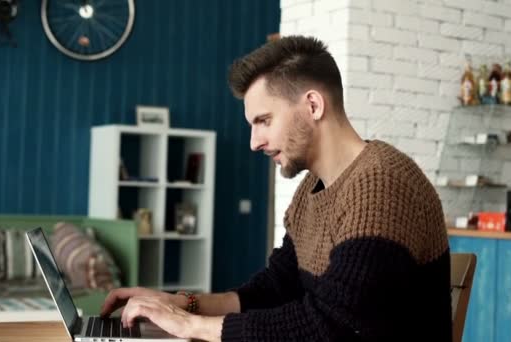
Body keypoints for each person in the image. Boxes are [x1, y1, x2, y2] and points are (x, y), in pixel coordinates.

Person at [100, 36, 452, 341]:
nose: (254, 142)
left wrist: (191, 326)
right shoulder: (313, 189)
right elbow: (275, 289)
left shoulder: (381, 184)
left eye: (264, 121)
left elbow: (334, 329)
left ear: (313, 105)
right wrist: (182, 303)